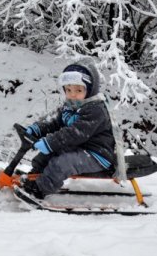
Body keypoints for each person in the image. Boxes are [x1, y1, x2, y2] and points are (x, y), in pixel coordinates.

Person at [15, 58, 116, 200]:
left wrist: (49, 142)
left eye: (78, 90)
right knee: (46, 155)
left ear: (90, 90)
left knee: (62, 163)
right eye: (68, 90)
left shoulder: (95, 110)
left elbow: (75, 134)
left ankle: (40, 189)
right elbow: (55, 122)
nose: (72, 94)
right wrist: (37, 129)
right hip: (80, 147)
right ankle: (35, 174)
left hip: (97, 154)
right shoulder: (70, 106)